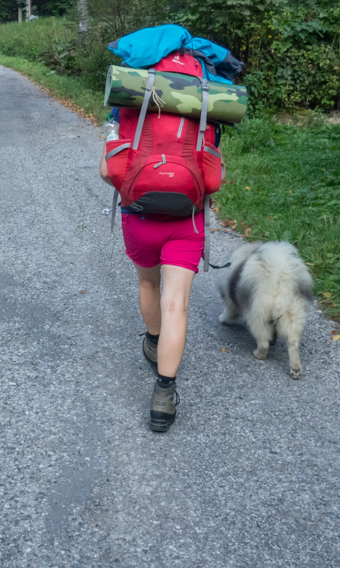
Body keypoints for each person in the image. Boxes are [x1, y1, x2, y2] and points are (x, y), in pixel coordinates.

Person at [100, 107, 202, 434]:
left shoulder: (127, 105)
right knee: (176, 304)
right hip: (187, 220)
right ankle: (163, 396)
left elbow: (107, 171)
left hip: (139, 216)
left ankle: (154, 341)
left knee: (148, 284)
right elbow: (216, 177)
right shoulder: (202, 106)